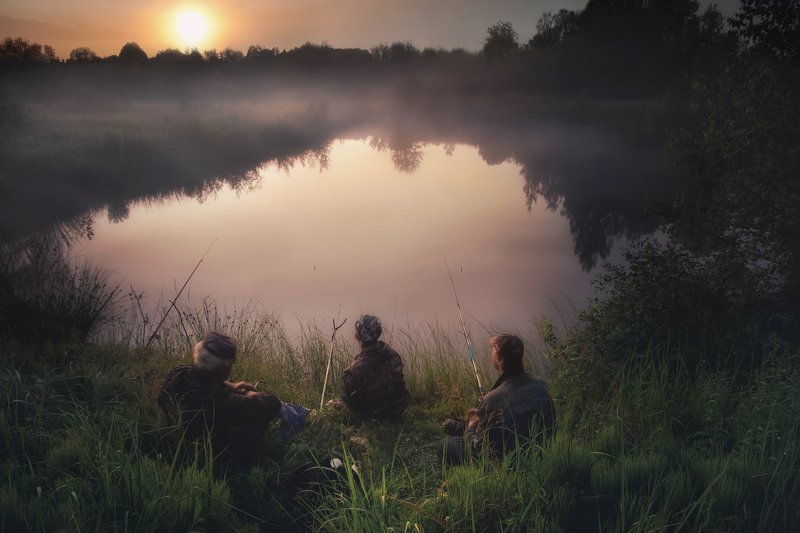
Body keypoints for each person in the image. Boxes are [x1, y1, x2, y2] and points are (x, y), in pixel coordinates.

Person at [158, 331, 282, 463]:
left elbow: (204, 377)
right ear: (225, 370)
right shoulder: (219, 400)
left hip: (181, 438)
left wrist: (231, 385)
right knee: (260, 415)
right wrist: (252, 395)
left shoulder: (178, 373)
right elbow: (273, 404)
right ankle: (237, 463)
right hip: (210, 455)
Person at [440, 334, 555, 465]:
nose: (491, 353)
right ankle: (456, 425)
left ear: (499, 358)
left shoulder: (493, 400)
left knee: (446, 445)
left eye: (493, 350)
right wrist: (484, 413)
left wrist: (471, 426)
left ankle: (459, 428)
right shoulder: (540, 383)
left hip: (511, 465)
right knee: (473, 426)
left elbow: (481, 450)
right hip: (539, 452)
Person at [340, 314, 410, 421]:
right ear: (379, 333)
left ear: (357, 336)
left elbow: (346, 397)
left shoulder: (355, 369)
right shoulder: (393, 355)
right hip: (397, 411)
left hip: (373, 417)